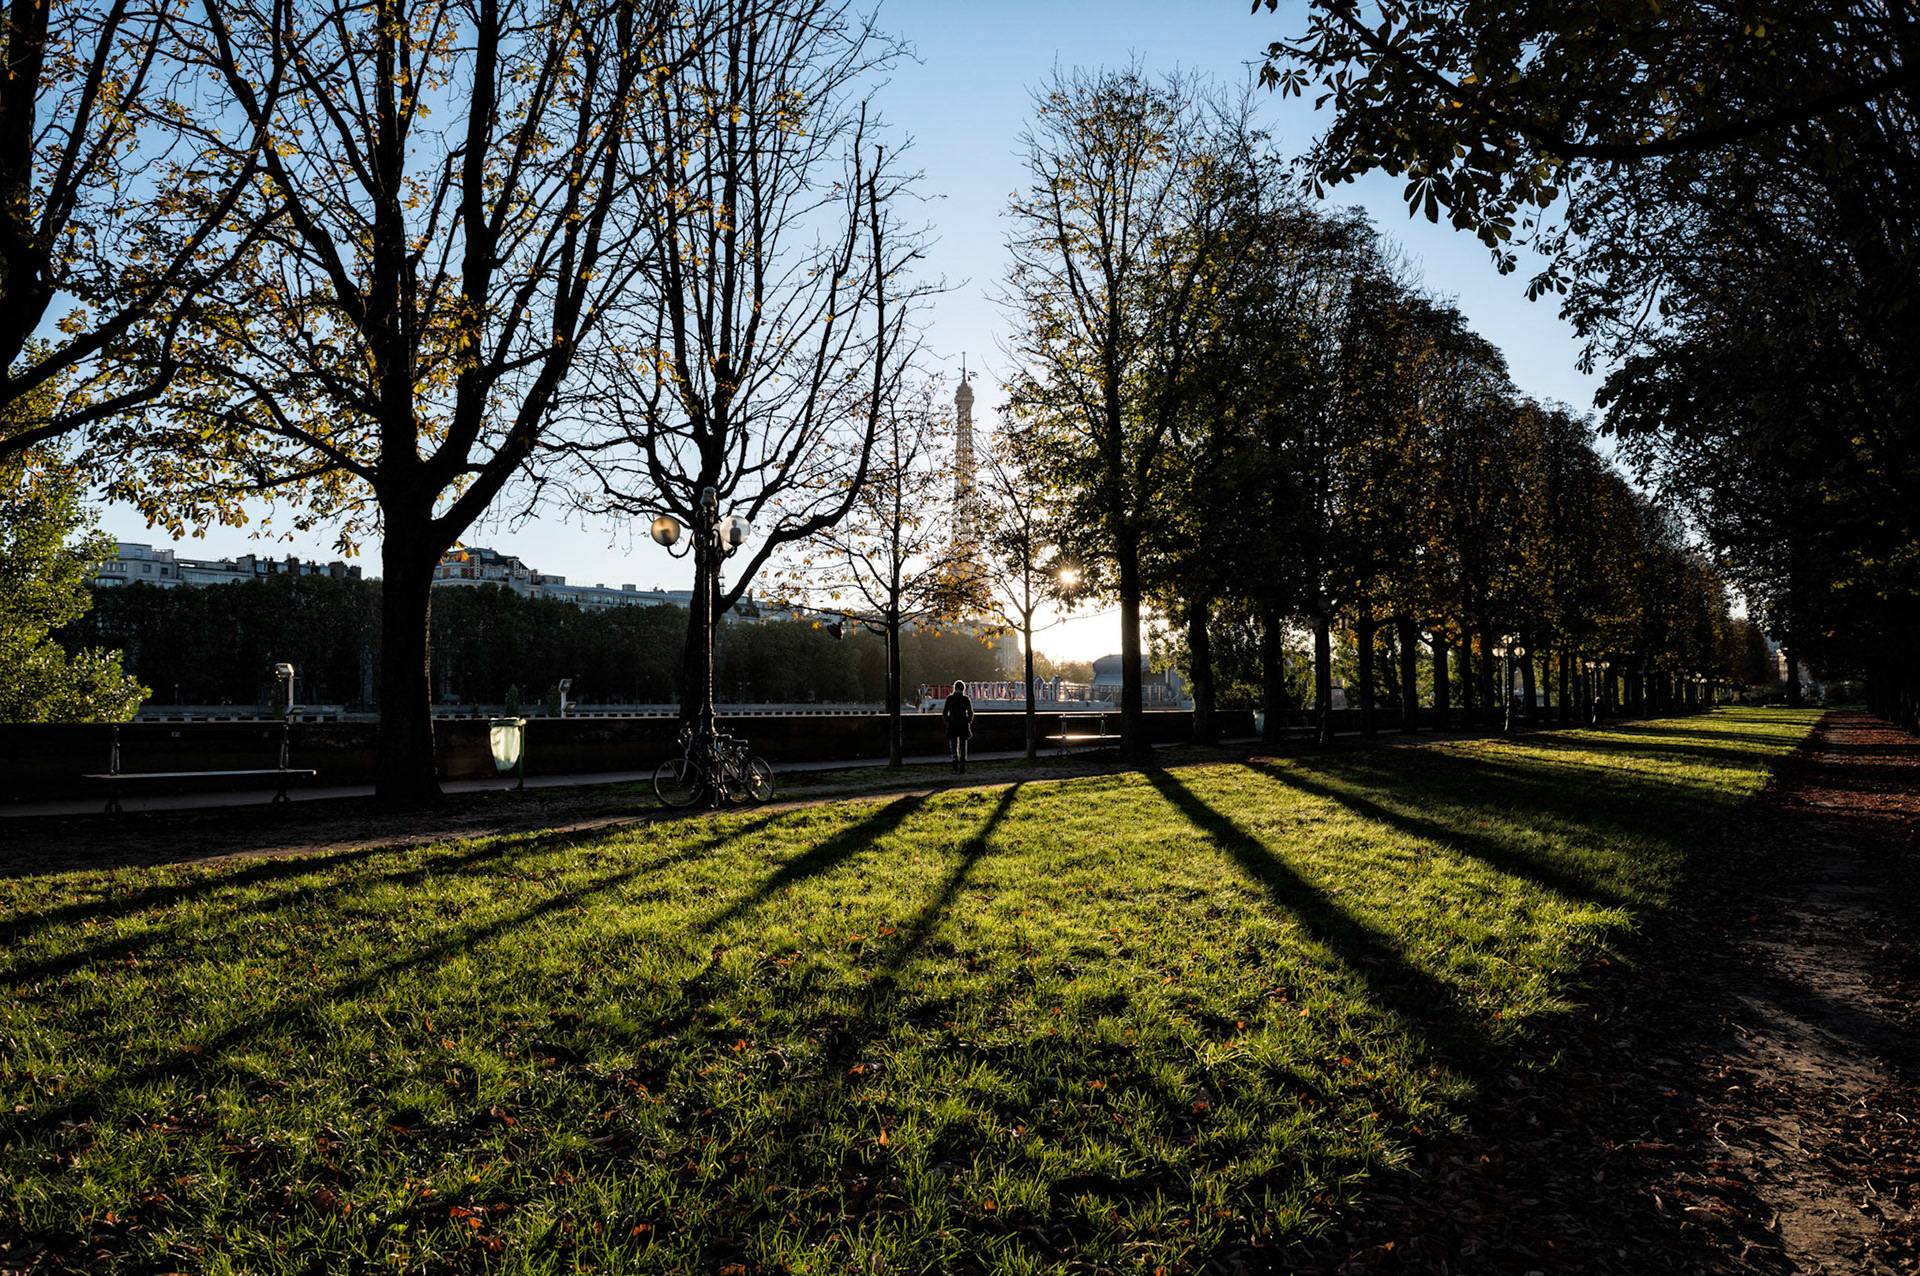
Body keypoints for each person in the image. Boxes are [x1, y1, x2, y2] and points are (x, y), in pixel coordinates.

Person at [943, 680, 975, 772]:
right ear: (963, 689)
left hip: (952, 724)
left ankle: (954, 759)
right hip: (963, 725)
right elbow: (970, 713)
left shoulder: (950, 698)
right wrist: (967, 721)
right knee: (962, 744)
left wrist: (949, 721)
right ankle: (962, 762)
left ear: (954, 688)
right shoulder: (965, 699)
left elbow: (945, 712)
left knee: (953, 744)